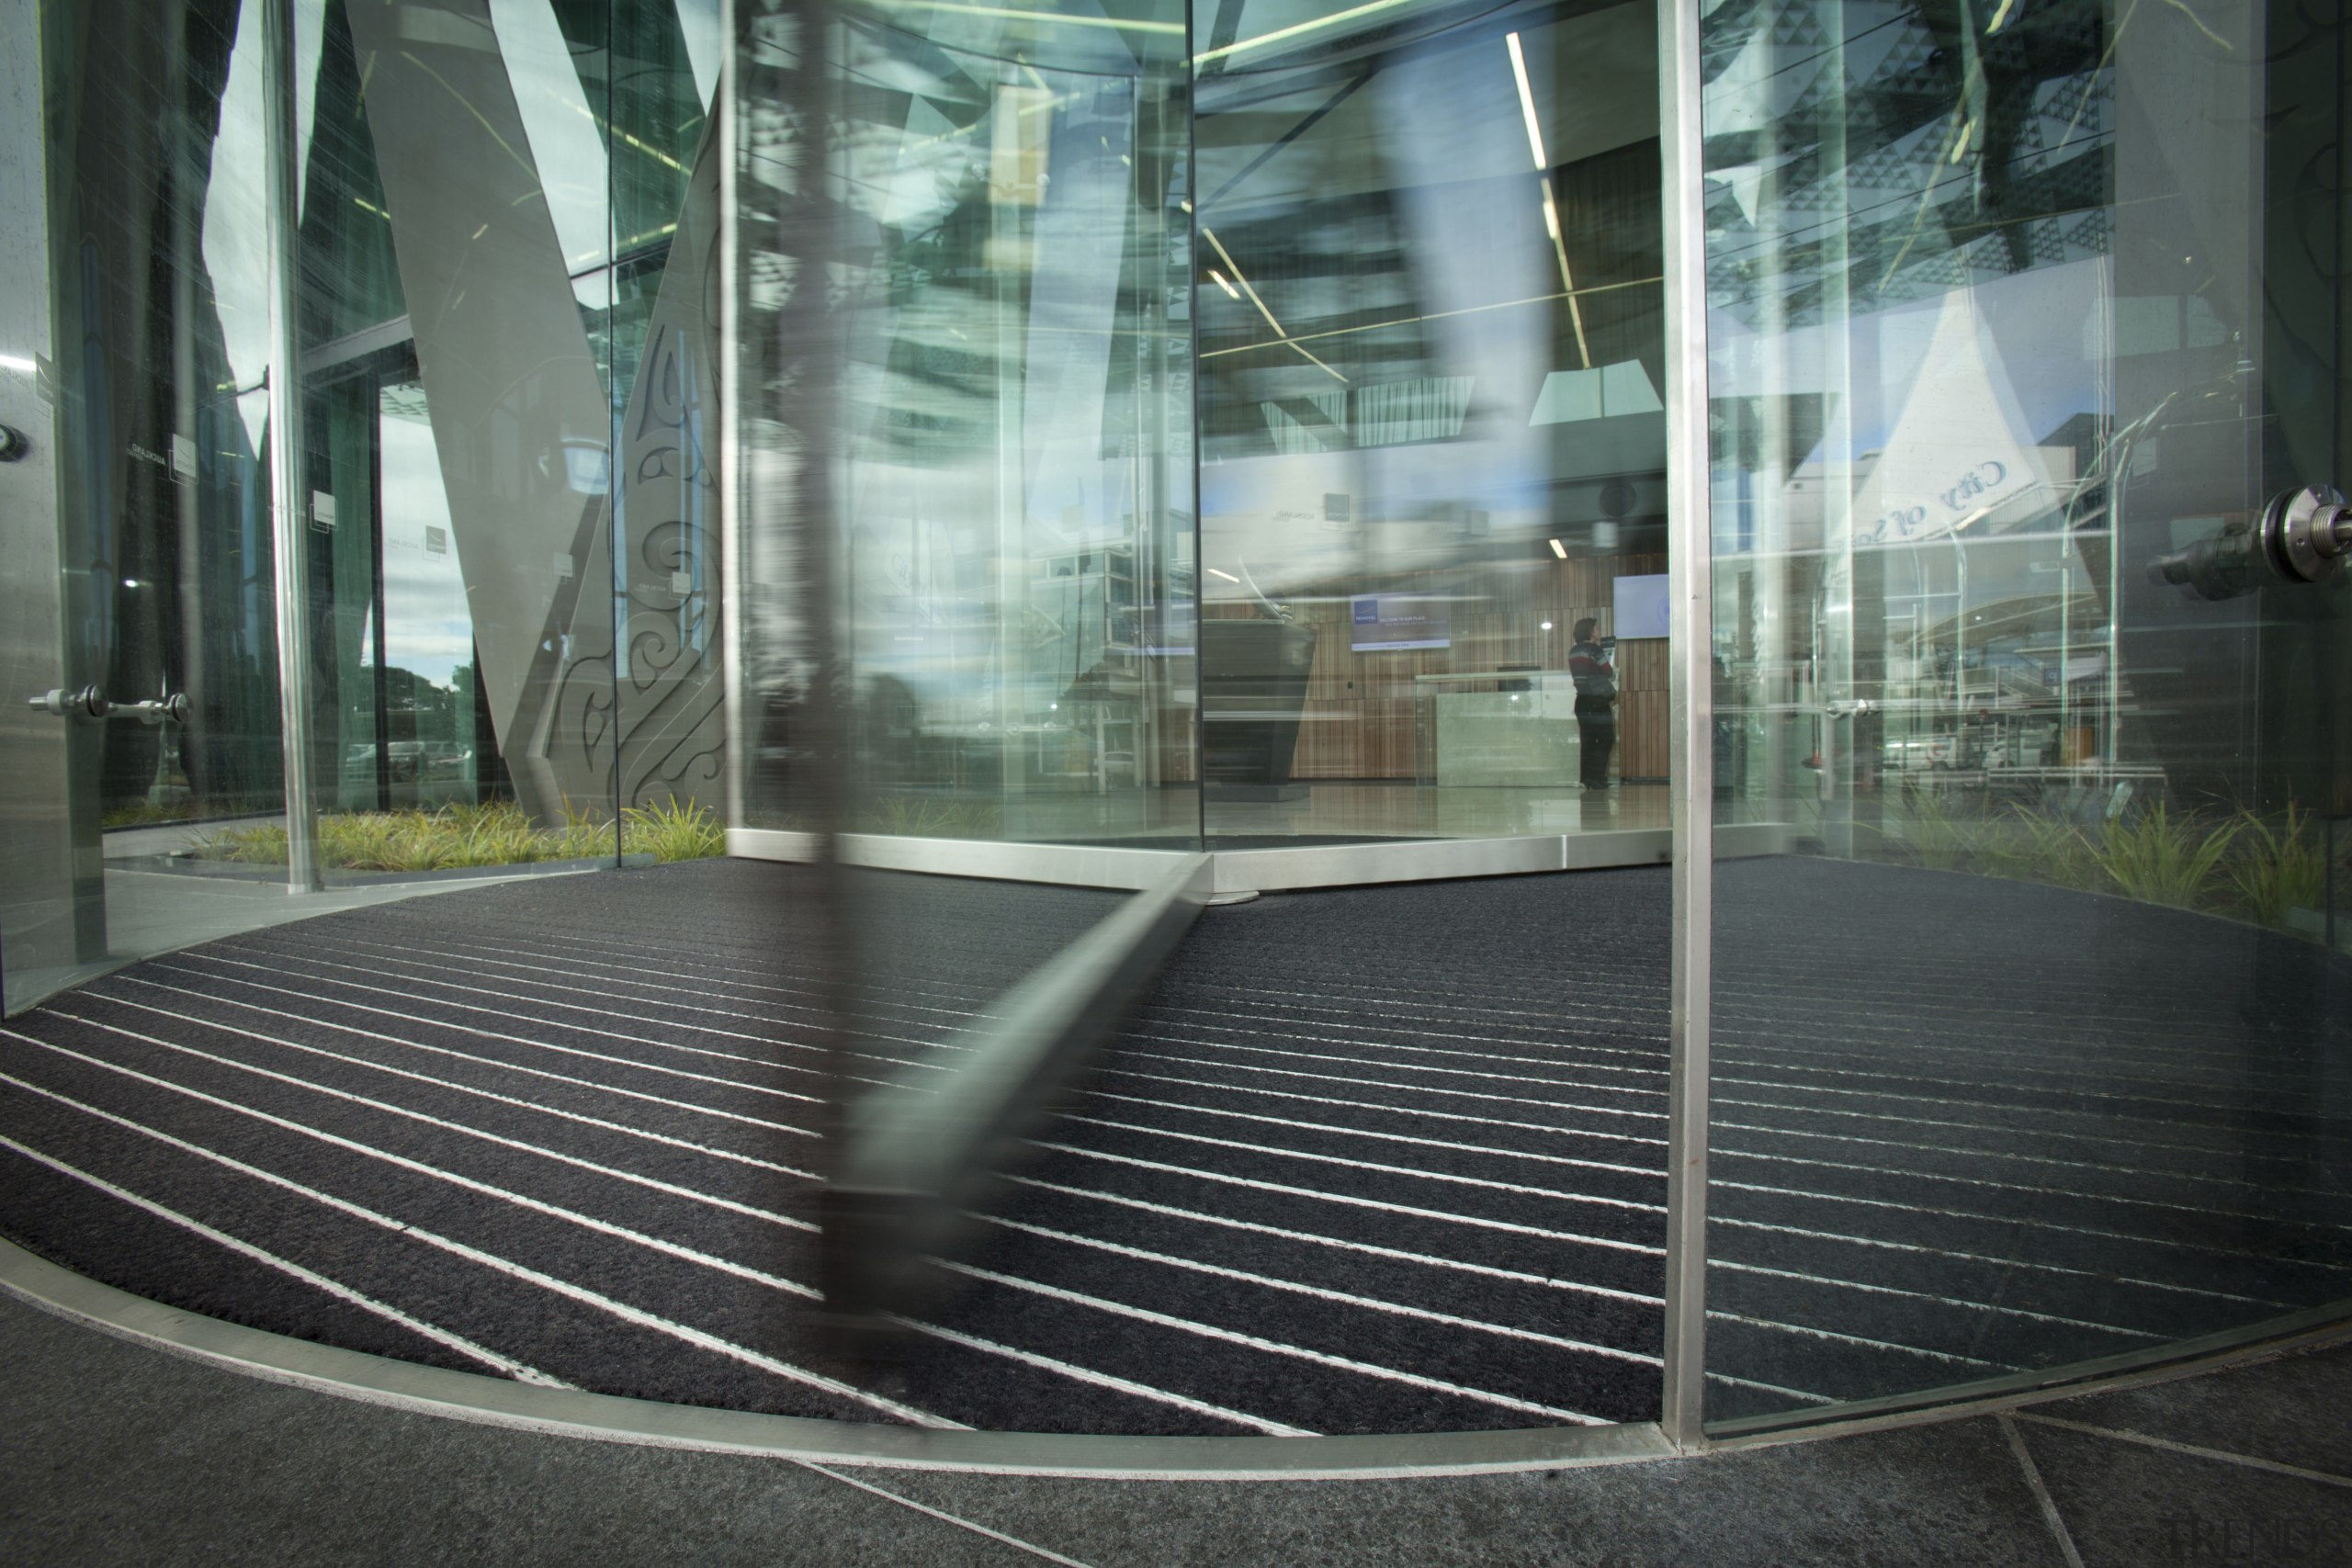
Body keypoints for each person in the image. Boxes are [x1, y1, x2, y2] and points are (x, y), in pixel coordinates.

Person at [1568, 617, 1616, 790]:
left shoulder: (1573, 651)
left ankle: (1587, 779)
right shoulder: (1594, 649)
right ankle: (1597, 779)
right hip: (1597, 701)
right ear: (1589, 631)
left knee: (1587, 741)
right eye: (1597, 628)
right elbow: (1608, 672)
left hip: (1581, 701)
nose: (1599, 632)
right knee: (1605, 739)